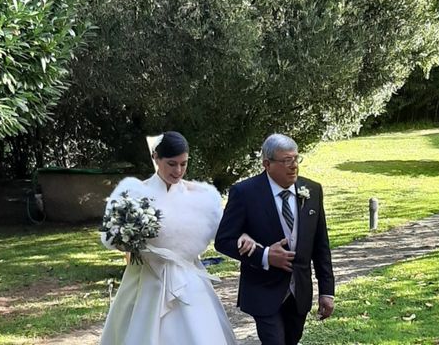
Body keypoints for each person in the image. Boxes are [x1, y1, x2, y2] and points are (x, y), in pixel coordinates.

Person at [100, 131, 255, 345]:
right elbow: (112, 239)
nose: (178, 171)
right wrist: (128, 237)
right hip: (145, 280)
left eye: (183, 164)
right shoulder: (133, 194)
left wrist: (244, 235)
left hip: (188, 280)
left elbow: (226, 231)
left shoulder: (202, 197)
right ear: (156, 158)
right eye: (172, 164)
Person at [215, 133, 335, 345]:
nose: (294, 166)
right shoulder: (244, 193)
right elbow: (224, 240)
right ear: (267, 164)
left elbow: (320, 245)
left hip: (299, 290)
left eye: (296, 159)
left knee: (291, 340)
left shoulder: (312, 190)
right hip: (263, 289)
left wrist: (327, 291)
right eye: (286, 160)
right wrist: (265, 255)